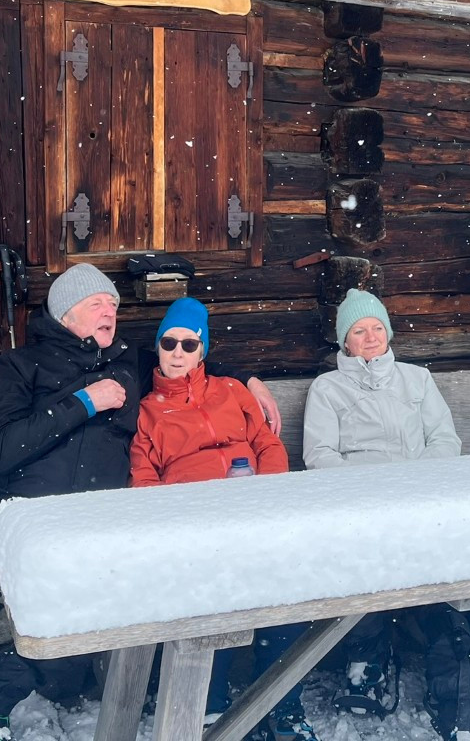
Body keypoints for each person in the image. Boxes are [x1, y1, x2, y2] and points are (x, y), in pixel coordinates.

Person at [0, 265, 282, 741]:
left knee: (77, 644)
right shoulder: (20, 366)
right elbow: (2, 448)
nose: (110, 311)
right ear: (66, 313)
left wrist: (250, 379)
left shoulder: (130, 363)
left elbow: (187, 357)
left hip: (80, 531)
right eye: (97, 304)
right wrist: (84, 402)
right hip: (5, 515)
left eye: (113, 305)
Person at [129, 297, 320, 741]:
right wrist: (180, 520)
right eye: (169, 343)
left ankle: (281, 704)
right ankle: (210, 707)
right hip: (195, 523)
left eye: (189, 344)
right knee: (211, 596)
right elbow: (143, 480)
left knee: (287, 588)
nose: (178, 353)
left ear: (203, 350)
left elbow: (267, 444)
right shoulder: (147, 411)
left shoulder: (231, 390)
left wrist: (265, 494)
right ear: (157, 348)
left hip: (254, 510)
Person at [304, 289, 470, 741]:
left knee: (453, 564)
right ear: (345, 342)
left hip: (422, 497)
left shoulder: (416, 380)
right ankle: (368, 661)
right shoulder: (328, 388)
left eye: (376, 328)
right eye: (359, 331)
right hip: (361, 504)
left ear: (388, 332)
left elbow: (444, 440)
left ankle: (452, 674)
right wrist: (367, 489)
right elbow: (319, 455)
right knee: (365, 560)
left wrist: (417, 481)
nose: (370, 337)